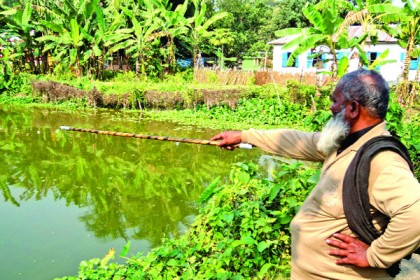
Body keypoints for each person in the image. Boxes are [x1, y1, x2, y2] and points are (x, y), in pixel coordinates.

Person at [210, 69, 420, 279]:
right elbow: (295, 141)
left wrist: (374, 256)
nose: (331, 107)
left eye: (335, 101)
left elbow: (415, 214)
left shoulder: (381, 160)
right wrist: (244, 136)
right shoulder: (345, 143)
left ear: (354, 108)